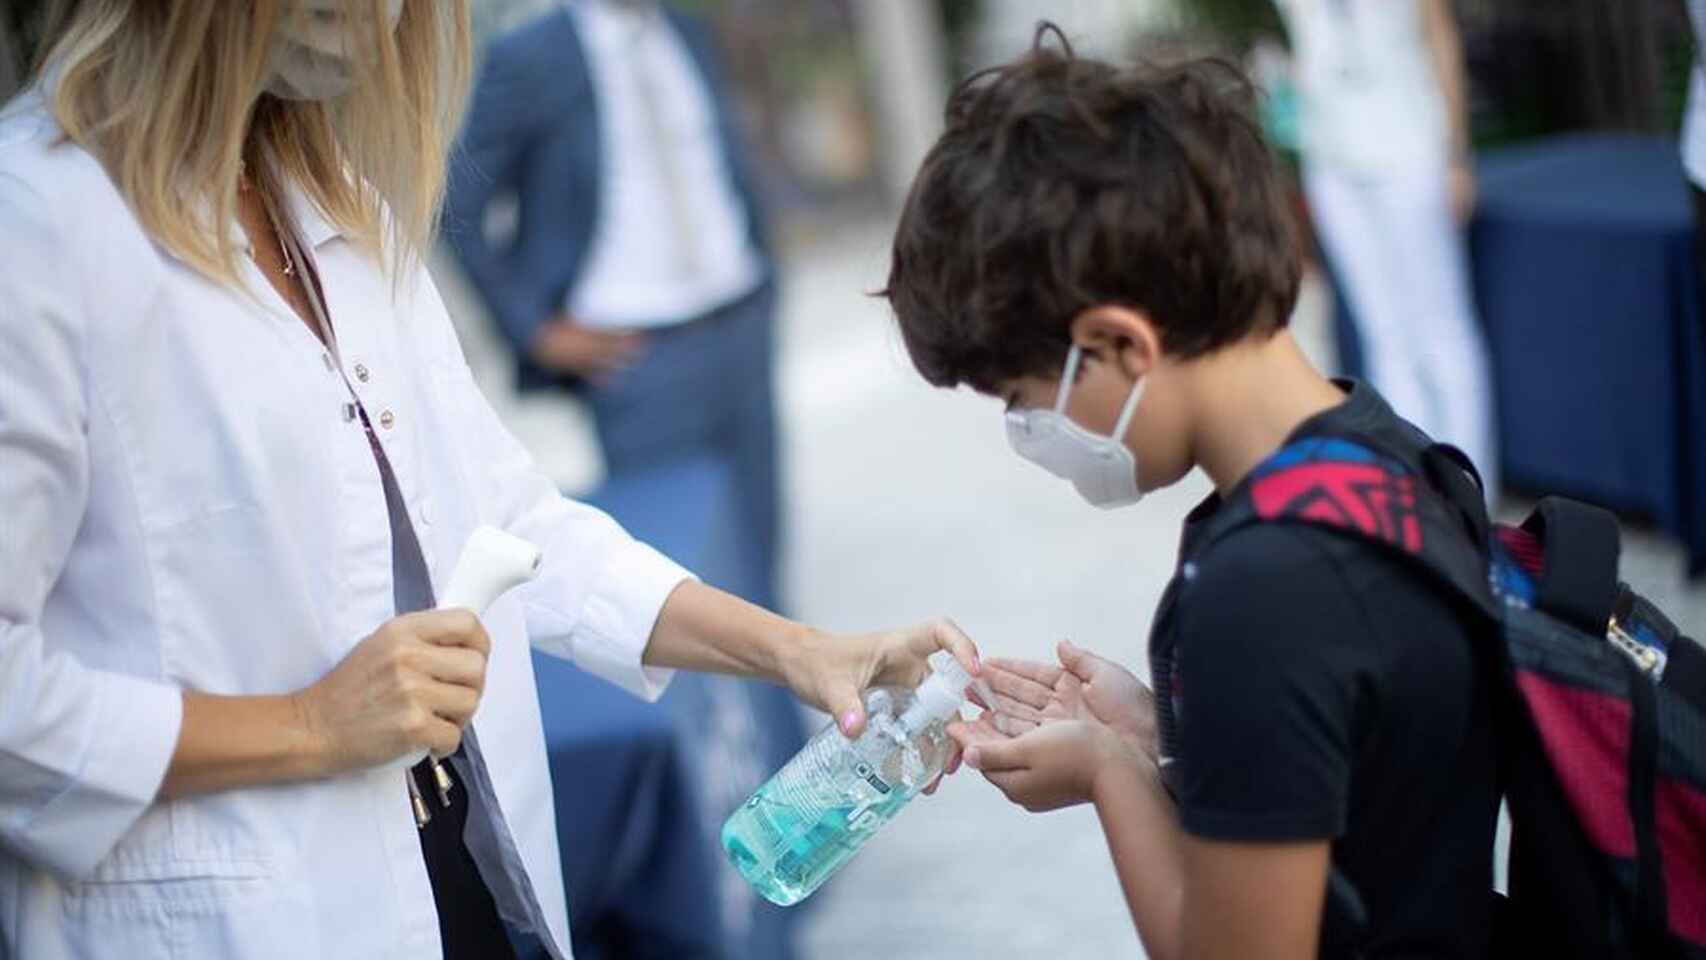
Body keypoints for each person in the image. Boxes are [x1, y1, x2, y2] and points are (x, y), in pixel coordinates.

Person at [0, 3, 981, 958]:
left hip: (446, 865)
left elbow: (510, 521)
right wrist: (306, 726)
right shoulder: (34, 227)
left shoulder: (328, 198)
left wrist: (802, 652)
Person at [881, 28, 1498, 959]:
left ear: (1122, 344)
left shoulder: (1263, 590)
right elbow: (1355, 757)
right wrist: (1168, 734)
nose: (1025, 434)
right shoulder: (1389, 452)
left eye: (1020, 398)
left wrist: (1110, 776)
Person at [445, 0, 783, 611]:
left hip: (739, 326)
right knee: (682, 594)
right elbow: (456, 202)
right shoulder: (534, 55)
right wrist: (534, 331)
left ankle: (803, 706)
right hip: (637, 364)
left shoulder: (683, 29)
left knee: (766, 568)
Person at [1282, 0, 1500, 502]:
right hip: (1330, 153)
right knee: (1384, 333)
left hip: (1409, 142)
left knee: (1441, 330)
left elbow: (1440, 35)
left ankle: (1472, 494)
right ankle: (1421, 489)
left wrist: (1456, 153)